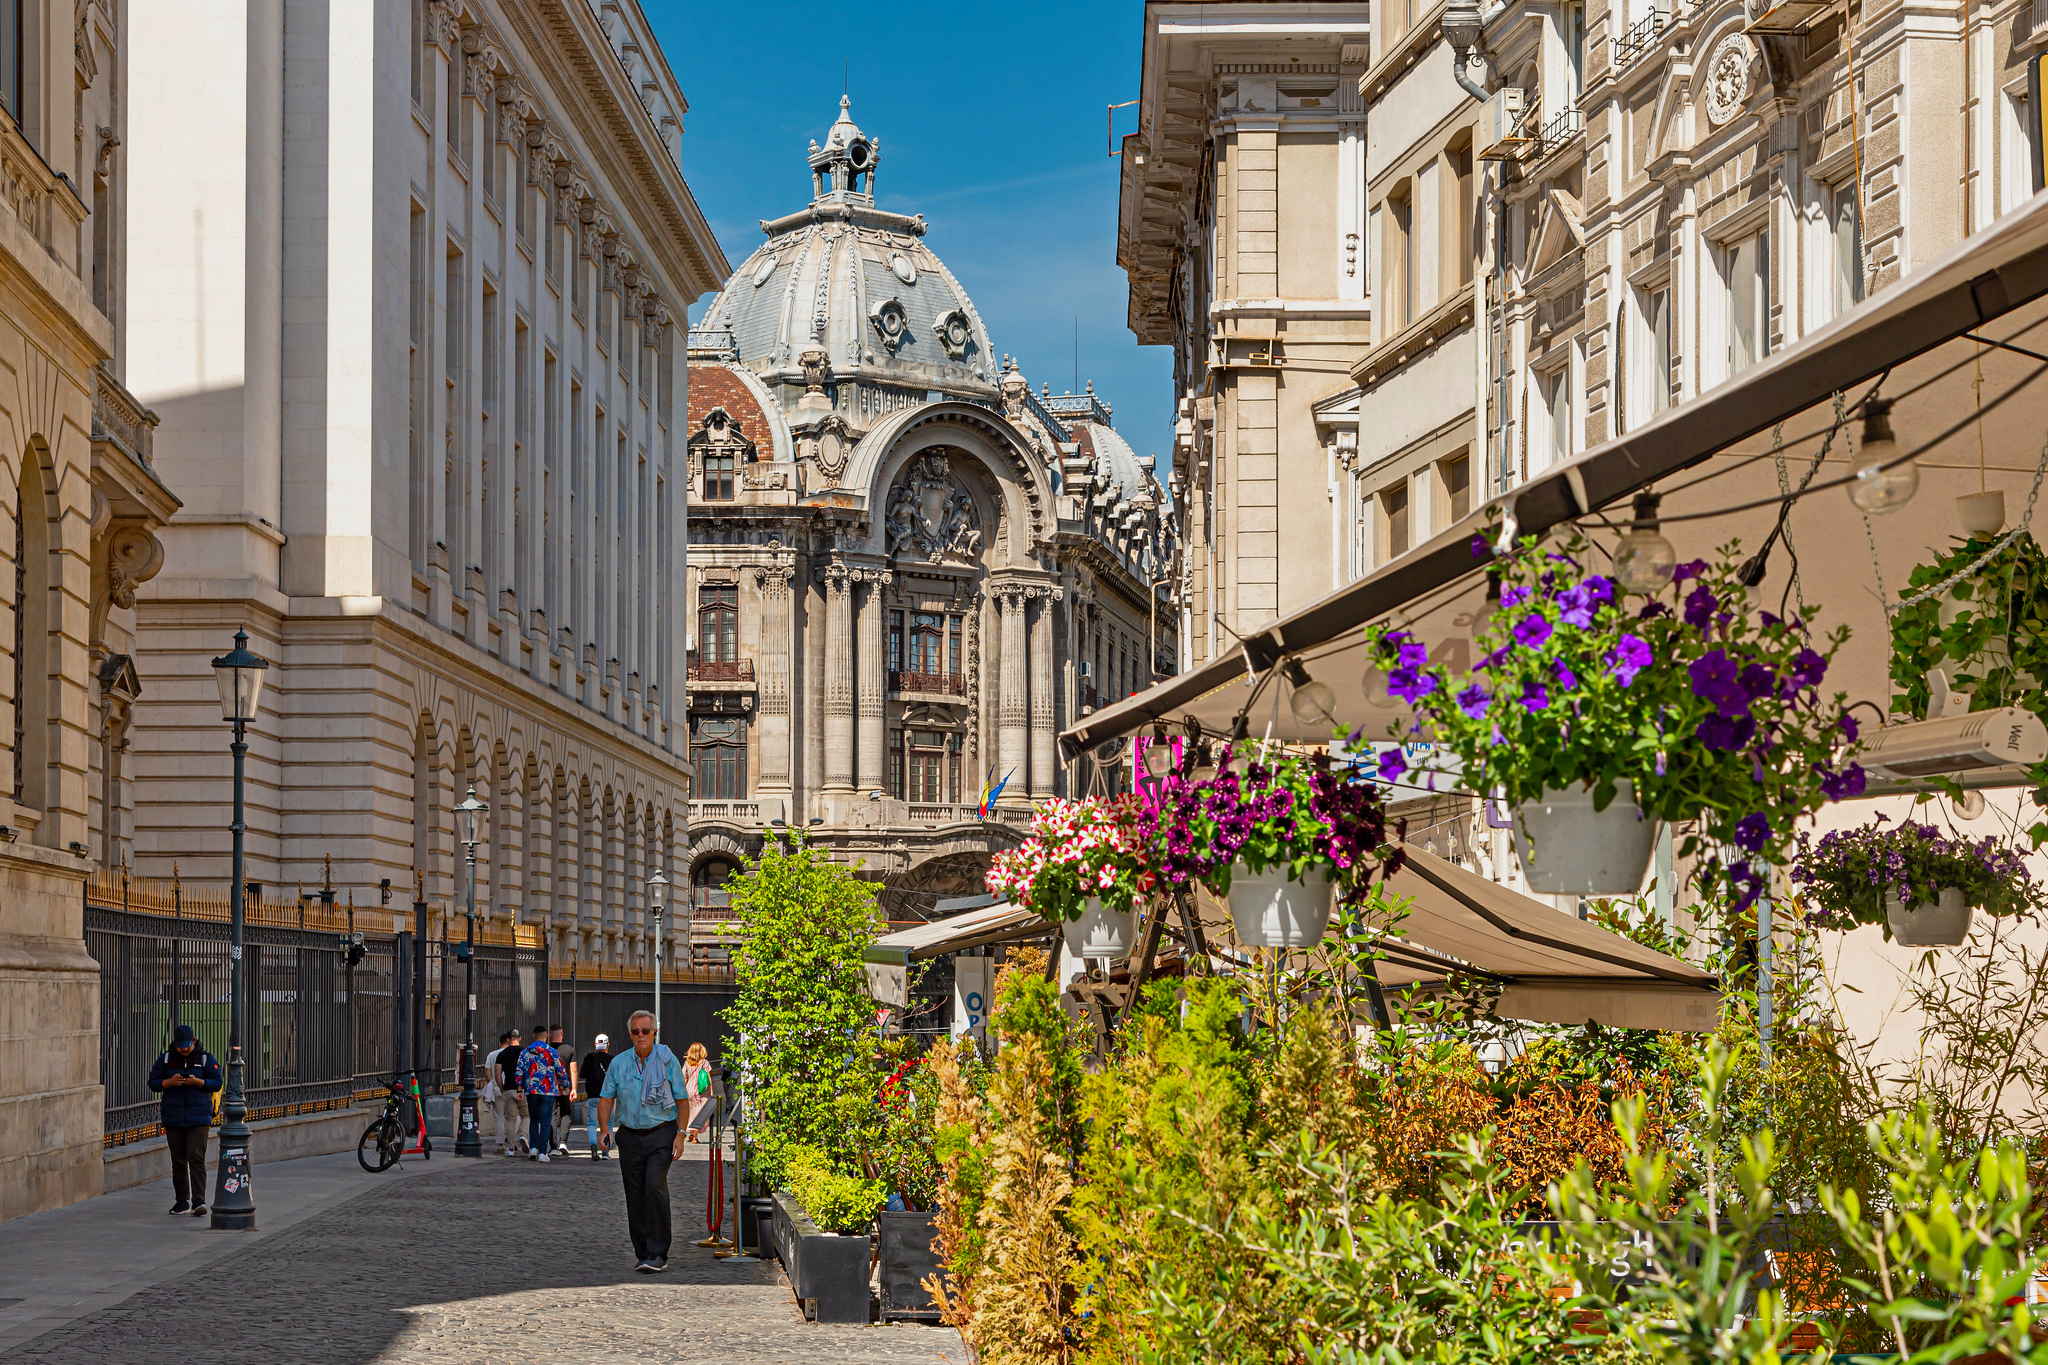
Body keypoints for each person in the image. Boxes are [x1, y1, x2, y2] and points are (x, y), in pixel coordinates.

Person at [597, 1010, 688, 1272]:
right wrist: (605, 1128)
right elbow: (606, 1098)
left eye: (645, 1031)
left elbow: (681, 1100)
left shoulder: (666, 1060)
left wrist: (680, 1134)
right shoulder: (619, 1063)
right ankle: (643, 1252)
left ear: (654, 1033)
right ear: (630, 1034)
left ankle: (659, 1252)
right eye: (635, 1032)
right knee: (634, 1194)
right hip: (630, 1136)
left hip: (661, 1133)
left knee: (654, 1185)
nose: (640, 1036)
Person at [147, 1024, 222, 1216]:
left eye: (187, 1045)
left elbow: (217, 1082)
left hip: (199, 1117)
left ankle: (199, 1200)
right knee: (178, 1160)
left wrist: (199, 1082)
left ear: (194, 1041)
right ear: (175, 1043)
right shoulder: (165, 1059)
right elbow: (153, 1082)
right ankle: (181, 1201)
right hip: (173, 1117)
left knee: (196, 1157)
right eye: (181, 1046)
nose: (185, 1049)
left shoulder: (205, 1058)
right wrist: (168, 1083)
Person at [517, 1022, 568, 1162]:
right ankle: (542, 1153)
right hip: (548, 1090)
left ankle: (533, 1149)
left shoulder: (525, 1052)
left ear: (534, 1036)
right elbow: (561, 1070)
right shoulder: (552, 1052)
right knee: (545, 1121)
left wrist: (519, 1089)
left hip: (531, 1090)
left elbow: (519, 1071)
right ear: (546, 1037)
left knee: (534, 1120)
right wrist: (565, 1085)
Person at [492, 1029, 528, 1156]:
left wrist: (502, 1088)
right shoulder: (525, 1052)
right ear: (520, 1038)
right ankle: (523, 1135)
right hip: (522, 1089)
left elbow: (497, 1074)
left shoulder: (502, 1054)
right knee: (526, 1115)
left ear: (507, 1040)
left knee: (510, 1119)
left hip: (508, 1089)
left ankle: (511, 1148)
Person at [579, 1034, 612, 1160]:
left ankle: (593, 1145)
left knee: (592, 1123)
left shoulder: (589, 1058)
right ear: (608, 1045)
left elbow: (582, 1076)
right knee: (608, 1123)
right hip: (608, 1096)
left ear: (595, 1045)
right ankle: (605, 1152)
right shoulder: (612, 1060)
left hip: (592, 1095)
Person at [550, 1025, 574, 1156]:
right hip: (565, 1086)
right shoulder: (569, 1049)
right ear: (562, 1033)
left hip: (549, 1087)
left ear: (549, 1035)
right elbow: (573, 1069)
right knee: (566, 1113)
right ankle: (563, 1142)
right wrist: (574, 1088)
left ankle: (553, 1146)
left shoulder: (546, 1050)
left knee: (551, 1116)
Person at [682, 1042, 714, 1142]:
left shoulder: (687, 1062)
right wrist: (711, 1091)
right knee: (701, 1113)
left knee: (691, 1112)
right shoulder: (704, 1063)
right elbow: (708, 1078)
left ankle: (691, 1134)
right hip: (701, 1091)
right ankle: (695, 1136)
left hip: (689, 1090)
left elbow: (684, 1077)